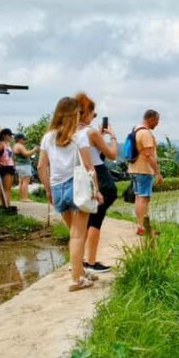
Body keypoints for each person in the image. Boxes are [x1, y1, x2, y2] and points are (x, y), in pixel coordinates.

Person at [37, 97, 103, 292]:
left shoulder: (47, 137)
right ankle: (76, 279)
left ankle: (80, 271)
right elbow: (90, 167)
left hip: (57, 188)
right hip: (78, 188)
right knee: (77, 235)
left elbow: (41, 166)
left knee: (74, 233)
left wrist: (48, 190)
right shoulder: (79, 136)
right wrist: (96, 191)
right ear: (74, 115)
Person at [74, 92, 118, 274]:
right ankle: (90, 261)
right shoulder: (90, 132)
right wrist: (112, 138)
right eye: (93, 114)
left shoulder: (70, 132)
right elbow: (112, 155)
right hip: (99, 175)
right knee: (95, 220)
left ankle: (78, 261)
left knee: (85, 220)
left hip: (80, 177)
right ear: (87, 112)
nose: (94, 117)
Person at [128, 110, 163, 236]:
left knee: (139, 197)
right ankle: (143, 226)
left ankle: (140, 225)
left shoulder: (136, 129)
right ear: (151, 119)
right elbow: (149, 155)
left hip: (134, 169)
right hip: (143, 170)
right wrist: (157, 172)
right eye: (157, 121)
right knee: (144, 198)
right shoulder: (145, 133)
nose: (157, 124)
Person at [13, 133, 38, 202]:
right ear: (19, 139)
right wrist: (34, 150)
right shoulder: (20, 146)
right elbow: (26, 154)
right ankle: (25, 198)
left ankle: (22, 197)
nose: (25, 141)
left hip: (19, 165)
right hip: (24, 166)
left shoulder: (15, 146)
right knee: (25, 182)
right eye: (23, 139)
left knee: (21, 182)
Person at [0, 128, 16, 207]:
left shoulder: (8, 144)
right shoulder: (1, 144)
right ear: (4, 136)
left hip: (10, 167)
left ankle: (6, 205)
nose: (11, 137)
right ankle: (7, 206)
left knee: (8, 188)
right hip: (5, 167)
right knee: (6, 189)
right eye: (9, 135)